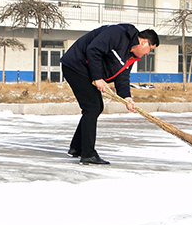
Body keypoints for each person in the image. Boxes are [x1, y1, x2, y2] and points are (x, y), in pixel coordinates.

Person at [60, 24, 159, 165]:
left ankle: (77, 148)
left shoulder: (130, 56)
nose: (148, 53)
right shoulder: (117, 34)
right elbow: (93, 50)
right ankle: (87, 154)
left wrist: (127, 98)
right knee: (92, 107)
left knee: (95, 107)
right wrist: (98, 78)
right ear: (144, 42)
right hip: (75, 65)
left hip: (87, 71)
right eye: (150, 49)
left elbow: (122, 77)